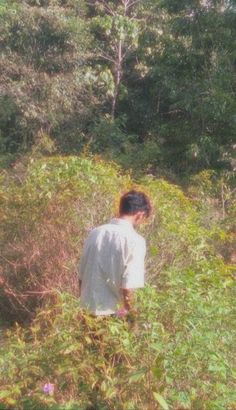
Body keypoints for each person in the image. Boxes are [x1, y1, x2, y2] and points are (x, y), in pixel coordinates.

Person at [78, 190, 151, 317]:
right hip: (112, 316)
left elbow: (81, 276)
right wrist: (132, 315)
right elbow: (128, 286)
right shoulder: (136, 241)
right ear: (140, 214)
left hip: (86, 310)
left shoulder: (95, 233)